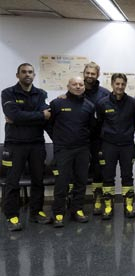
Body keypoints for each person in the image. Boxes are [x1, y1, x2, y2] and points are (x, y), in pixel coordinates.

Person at [2, 63, 52, 231]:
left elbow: (46, 115)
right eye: (24, 72)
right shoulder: (8, 93)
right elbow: (13, 114)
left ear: (34, 75)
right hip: (14, 145)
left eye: (30, 72)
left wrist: (21, 117)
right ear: (18, 75)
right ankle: (12, 216)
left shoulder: (41, 94)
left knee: (38, 181)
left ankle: (36, 212)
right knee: (12, 182)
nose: (27, 75)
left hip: (36, 144)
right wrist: (39, 115)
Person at [48, 76, 97, 227]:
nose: (78, 86)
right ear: (68, 86)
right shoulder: (57, 103)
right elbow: (48, 123)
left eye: (80, 84)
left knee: (81, 181)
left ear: (84, 87)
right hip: (63, 150)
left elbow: (92, 128)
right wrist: (58, 139)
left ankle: (78, 210)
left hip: (82, 149)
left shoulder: (89, 105)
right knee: (62, 182)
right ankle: (58, 213)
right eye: (74, 84)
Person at [96, 73, 135, 220]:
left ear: (125, 85)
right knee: (108, 176)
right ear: (112, 84)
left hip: (127, 145)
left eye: (122, 84)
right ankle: (108, 207)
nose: (120, 87)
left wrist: (126, 134)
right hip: (108, 145)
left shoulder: (133, 103)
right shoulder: (102, 103)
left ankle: (128, 206)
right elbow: (99, 123)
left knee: (127, 176)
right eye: (117, 84)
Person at [82, 62, 111, 215]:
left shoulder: (105, 93)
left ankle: (98, 200)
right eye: (87, 73)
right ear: (83, 73)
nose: (90, 76)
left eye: (93, 74)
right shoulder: (76, 90)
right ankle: (76, 204)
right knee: (78, 171)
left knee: (99, 170)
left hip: (99, 140)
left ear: (97, 75)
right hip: (79, 139)